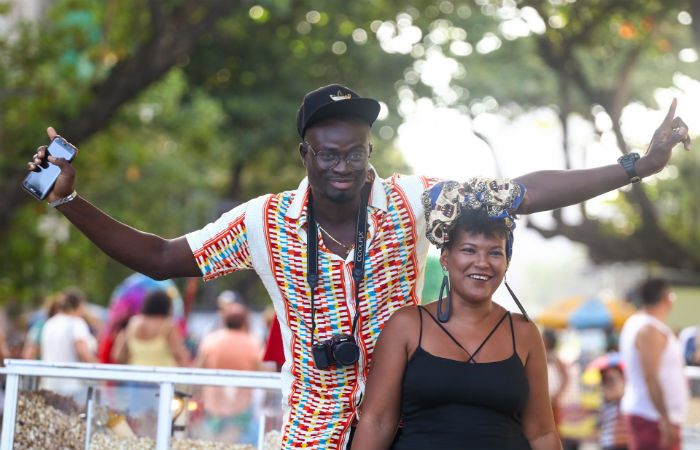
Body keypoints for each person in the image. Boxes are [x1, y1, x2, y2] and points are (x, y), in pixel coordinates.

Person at [25, 84, 691, 450]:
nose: (346, 166)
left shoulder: (408, 199)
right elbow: (162, 257)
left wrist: (636, 166)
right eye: (330, 153)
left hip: (407, 430)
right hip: (311, 433)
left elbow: (520, 191)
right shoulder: (262, 221)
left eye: (357, 152)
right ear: (306, 154)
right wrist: (72, 201)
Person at [351, 181, 558, 449]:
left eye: (495, 253)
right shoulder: (407, 326)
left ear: (506, 262)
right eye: (469, 250)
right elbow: (377, 422)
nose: (482, 263)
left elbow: (542, 433)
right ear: (446, 258)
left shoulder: (525, 332)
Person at [619, 278, 688, 450]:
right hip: (652, 417)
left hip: (652, 415)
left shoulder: (640, 323)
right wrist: (664, 417)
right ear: (667, 298)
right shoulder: (648, 329)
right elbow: (650, 376)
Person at [195, 297, 263, 444]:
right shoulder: (252, 343)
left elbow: (198, 369)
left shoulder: (211, 340)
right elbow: (263, 373)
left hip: (213, 405)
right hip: (241, 407)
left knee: (212, 444)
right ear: (245, 321)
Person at [39, 288, 98, 402]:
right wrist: (98, 368)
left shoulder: (49, 323)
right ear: (79, 305)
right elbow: (82, 351)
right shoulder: (76, 323)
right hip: (72, 386)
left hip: (49, 385)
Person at [111, 289, 191, 367]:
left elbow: (119, 356)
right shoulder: (168, 325)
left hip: (136, 375)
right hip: (164, 376)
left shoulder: (132, 322)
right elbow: (178, 355)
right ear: (165, 305)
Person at [542, 328, 569, 435]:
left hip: (553, 401)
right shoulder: (541, 355)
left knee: (553, 428)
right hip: (543, 400)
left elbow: (566, 378)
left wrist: (558, 394)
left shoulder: (555, 358)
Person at [598, 357, 628, 450]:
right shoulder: (606, 395)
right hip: (610, 442)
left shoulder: (626, 394)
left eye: (613, 378)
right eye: (607, 379)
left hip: (626, 441)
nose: (610, 382)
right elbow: (616, 395)